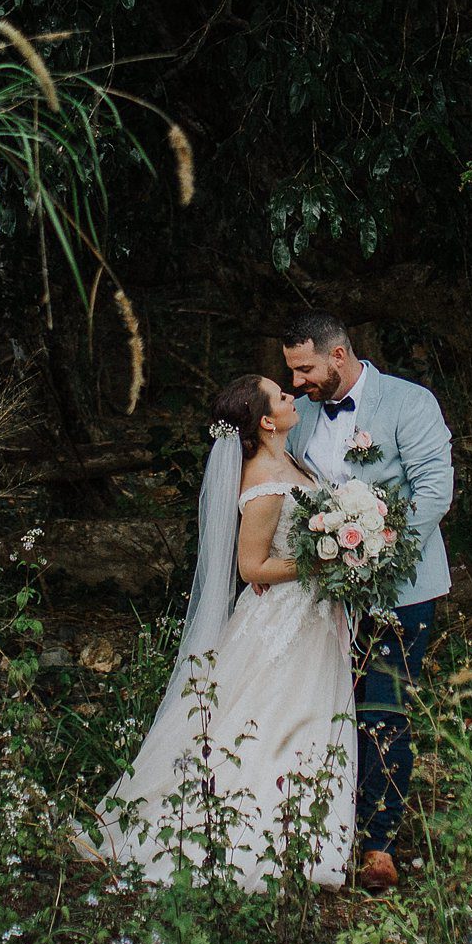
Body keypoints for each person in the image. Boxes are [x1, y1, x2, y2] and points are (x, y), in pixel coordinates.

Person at [91, 375, 358, 888]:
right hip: (283, 617)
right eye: (282, 396)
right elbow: (252, 568)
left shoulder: (291, 460)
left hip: (314, 616)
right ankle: (262, 833)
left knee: (308, 713)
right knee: (276, 714)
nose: (291, 398)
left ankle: (313, 826)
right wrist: (322, 563)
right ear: (264, 420)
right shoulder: (261, 480)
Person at [280, 310, 454, 893]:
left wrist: (378, 553)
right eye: (291, 372)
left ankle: (379, 843)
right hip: (321, 594)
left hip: (399, 588)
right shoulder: (299, 413)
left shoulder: (410, 403)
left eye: (304, 368)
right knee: (327, 705)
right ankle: (326, 826)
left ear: (337, 355)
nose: (297, 382)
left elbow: (435, 489)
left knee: (384, 709)